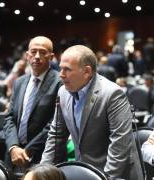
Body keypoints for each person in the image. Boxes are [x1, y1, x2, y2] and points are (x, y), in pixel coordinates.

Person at [41, 45, 144, 180]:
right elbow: (56, 135)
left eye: (67, 69)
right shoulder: (63, 92)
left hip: (116, 173)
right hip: (83, 171)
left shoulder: (112, 93)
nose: (61, 74)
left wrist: (106, 178)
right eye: (61, 68)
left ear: (87, 72)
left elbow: (120, 144)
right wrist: (42, 173)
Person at [3, 36, 62, 171]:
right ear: (27, 55)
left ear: (51, 56)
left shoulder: (60, 83)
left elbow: (55, 123)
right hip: (13, 154)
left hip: (43, 156)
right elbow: (9, 117)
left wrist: (27, 151)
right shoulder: (19, 82)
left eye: (42, 52)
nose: (37, 56)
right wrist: (13, 147)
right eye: (33, 51)